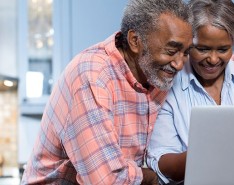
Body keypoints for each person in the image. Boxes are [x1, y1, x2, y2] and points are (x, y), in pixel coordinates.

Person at [21, 0, 192, 184]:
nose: (179, 63)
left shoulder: (155, 74)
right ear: (135, 41)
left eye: (185, 52)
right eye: (171, 50)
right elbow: (106, 180)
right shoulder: (92, 76)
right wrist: (150, 177)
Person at [146, 0, 234, 184]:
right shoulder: (168, 85)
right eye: (202, 49)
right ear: (187, 43)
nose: (213, 59)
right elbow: (161, 160)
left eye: (223, 49)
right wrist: (206, 156)